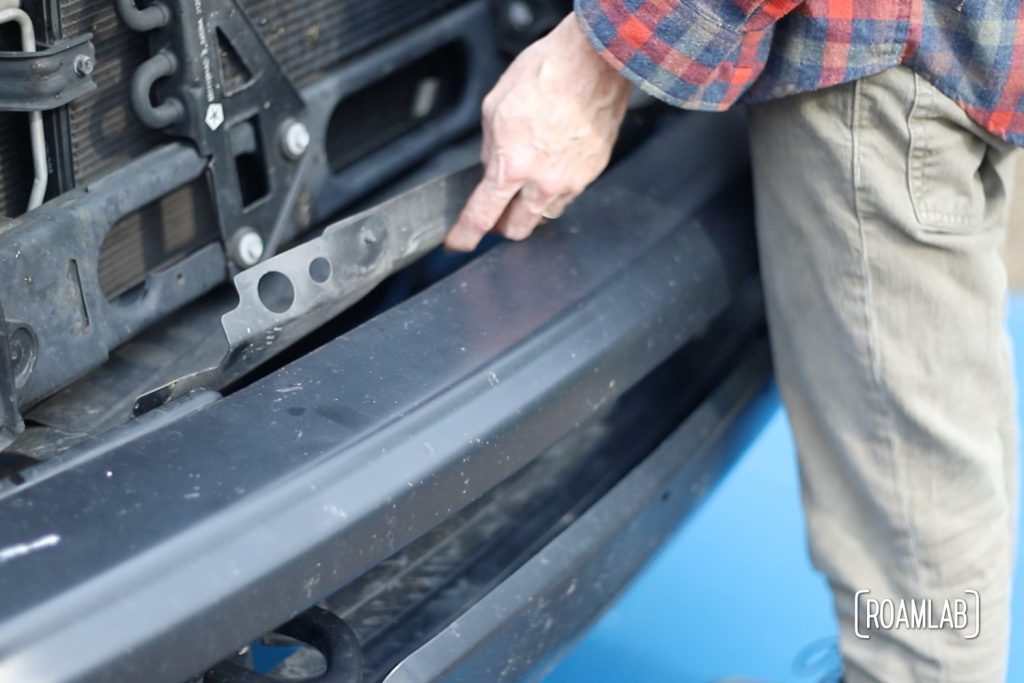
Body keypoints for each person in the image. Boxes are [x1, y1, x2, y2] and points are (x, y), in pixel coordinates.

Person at [444, 2, 1022, 681]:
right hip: (935, 62)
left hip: (882, 77)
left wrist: (602, 51)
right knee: (939, 467)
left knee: (916, 565)